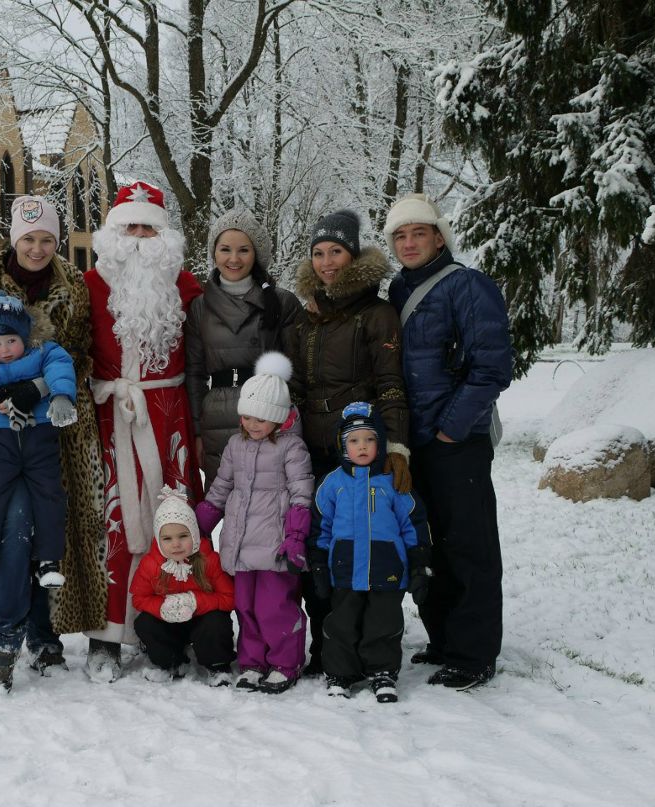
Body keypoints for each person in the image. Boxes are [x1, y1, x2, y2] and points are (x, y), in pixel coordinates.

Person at [0, 195, 108, 675]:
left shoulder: (75, 287)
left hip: (62, 430)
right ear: (13, 239)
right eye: (28, 239)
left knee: (53, 531)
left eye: (46, 238)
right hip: (4, 434)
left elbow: (83, 354)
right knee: (11, 527)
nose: (37, 248)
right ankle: (1, 638)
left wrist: (39, 385)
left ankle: (45, 636)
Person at [384, 192, 512, 690]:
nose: (409, 242)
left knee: (469, 545)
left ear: (439, 237)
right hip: (414, 443)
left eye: (419, 232)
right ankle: (443, 638)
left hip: (456, 440)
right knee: (426, 544)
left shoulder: (468, 286)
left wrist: (450, 428)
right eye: (400, 235)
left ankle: (474, 653)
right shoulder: (397, 290)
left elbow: (492, 367)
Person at [85, 180, 204, 682]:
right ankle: (106, 637)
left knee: (174, 520)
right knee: (109, 526)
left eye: (148, 228)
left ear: (165, 236)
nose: (138, 236)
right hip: (111, 415)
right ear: (113, 232)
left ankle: (173, 628)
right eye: (129, 226)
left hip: (169, 414)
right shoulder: (89, 284)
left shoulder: (187, 286)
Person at [293, 208, 411, 675]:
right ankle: (329, 650)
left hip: (360, 455)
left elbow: (391, 384)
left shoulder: (376, 314)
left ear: (353, 255)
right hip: (312, 453)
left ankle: (372, 648)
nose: (326, 262)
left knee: (370, 549)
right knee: (322, 553)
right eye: (319, 253)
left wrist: (396, 447)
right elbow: (297, 387)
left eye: (336, 252)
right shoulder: (307, 319)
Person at [195, 352, 314, 694]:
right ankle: (251, 662)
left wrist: (295, 536)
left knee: (274, 607)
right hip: (240, 541)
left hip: (275, 544)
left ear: (278, 418)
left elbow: (301, 494)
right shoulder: (235, 445)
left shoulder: (292, 448)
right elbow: (221, 487)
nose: (252, 424)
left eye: (260, 418)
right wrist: (202, 523)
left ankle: (283, 662)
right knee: (244, 606)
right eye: (246, 417)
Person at [312, 401, 431, 703]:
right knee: (341, 624)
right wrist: (318, 565)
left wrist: (418, 565)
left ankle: (383, 672)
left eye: (369, 439)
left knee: (384, 623)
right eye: (353, 441)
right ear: (343, 446)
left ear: (380, 443)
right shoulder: (333, 484)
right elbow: (320, 528)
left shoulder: (393, 482)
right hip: (345, 568)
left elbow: (412, 525)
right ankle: (340, 673)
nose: (362, 447)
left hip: (386, 569)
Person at [185, 208, 304, 489]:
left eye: (243, 250)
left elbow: (298, 368)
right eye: (225, 249)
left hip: (271, 415)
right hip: (218, 416)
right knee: (227, 504)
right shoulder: (200, 307)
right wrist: (198, 431)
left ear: (256, 254)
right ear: (214, 253)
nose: (234, 259)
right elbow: (194, 373)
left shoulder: (281, 302)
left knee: (271, 504)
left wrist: (289, 420)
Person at [131, 488, 236, 685]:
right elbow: (139, 598)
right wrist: (162, 607)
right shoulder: (151, 564)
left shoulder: (209, 560)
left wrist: (196, 601)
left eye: (183, 536)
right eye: (167, 539)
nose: (176, 544)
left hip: (201, 623)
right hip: (170, 623)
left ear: (194, 534)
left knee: (216, 622)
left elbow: (230, 597)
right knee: (144, 623)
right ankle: (172, 662)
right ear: (158, 539)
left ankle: (218, 666)